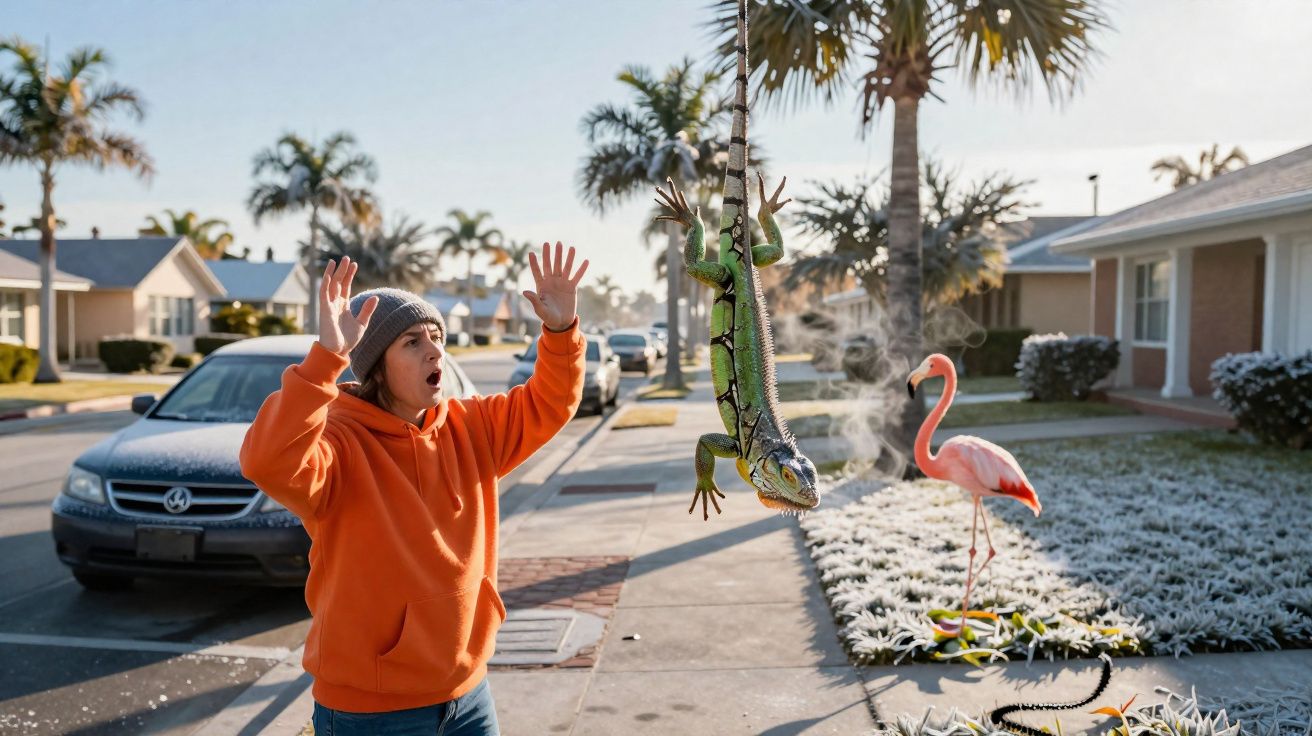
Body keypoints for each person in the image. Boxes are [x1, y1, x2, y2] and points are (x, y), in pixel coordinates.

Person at [240, 242, 589, 735]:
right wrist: (326, 359)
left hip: (468, 695)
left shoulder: (471, 427)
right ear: (376, 366)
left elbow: (550, 403)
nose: (434, 350)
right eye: (411, 341)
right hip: (370, 712)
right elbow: (266, 461)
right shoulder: (338, 443)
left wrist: (559, 332)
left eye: (436, 336)